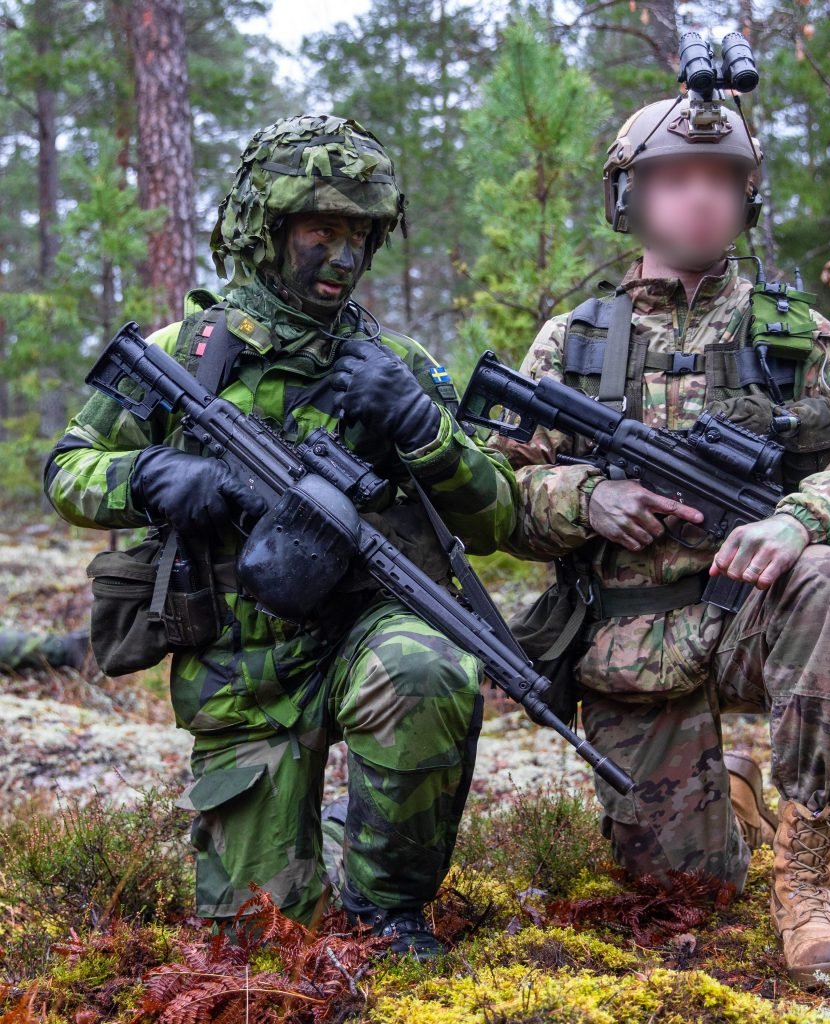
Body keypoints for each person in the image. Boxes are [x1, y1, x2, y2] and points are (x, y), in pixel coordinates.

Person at [44, 115, 517, 958]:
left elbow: (493, 518)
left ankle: (388, 911)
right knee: (260, 946)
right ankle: (328, 841)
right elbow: (69, 468)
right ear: (267, 230)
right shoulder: (185, 352)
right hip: (238, 666)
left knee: (429, 664)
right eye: (321, 231)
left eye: (361, 236)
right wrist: (148, 479)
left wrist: (419, 425)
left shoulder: (397, 365)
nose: (343, 257)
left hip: (362, 631)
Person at [492, 95, 830, 986]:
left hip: (756, 628)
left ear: (748, 201)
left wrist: (800, 519)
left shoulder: (796, 334)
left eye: (723, 182)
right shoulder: (571, 342)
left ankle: (807, 885)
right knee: (683, 890)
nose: (701, 200)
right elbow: (498, 494)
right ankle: (730, 783)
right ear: (630, 198)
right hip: (631, 643)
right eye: (676, 180)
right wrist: (588, 497)